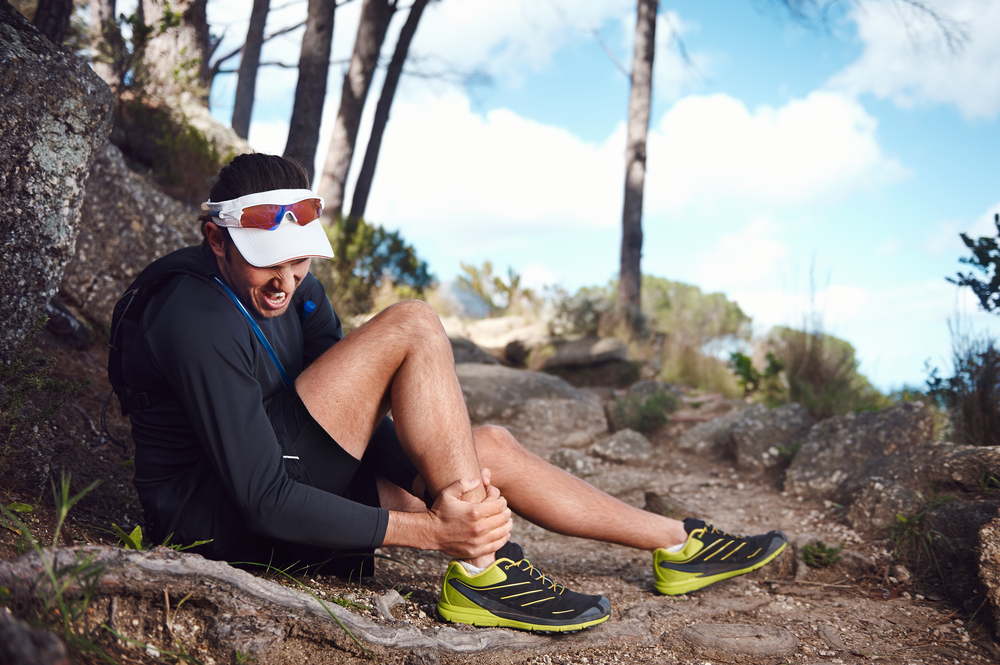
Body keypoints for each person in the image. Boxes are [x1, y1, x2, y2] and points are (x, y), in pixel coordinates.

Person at [116, 153, 787, 634]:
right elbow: (262, 497)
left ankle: (677, 544)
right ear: (216, 239)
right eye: (269, 259)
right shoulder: (193, 318)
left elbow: (341, 422)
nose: (286, 280)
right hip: (218, 519)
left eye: (300, 259)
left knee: (482, 448)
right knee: (413, 322)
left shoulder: (300, 291)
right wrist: (434, 531)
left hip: (282, 472)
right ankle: (482, 573)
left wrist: (438, 483)